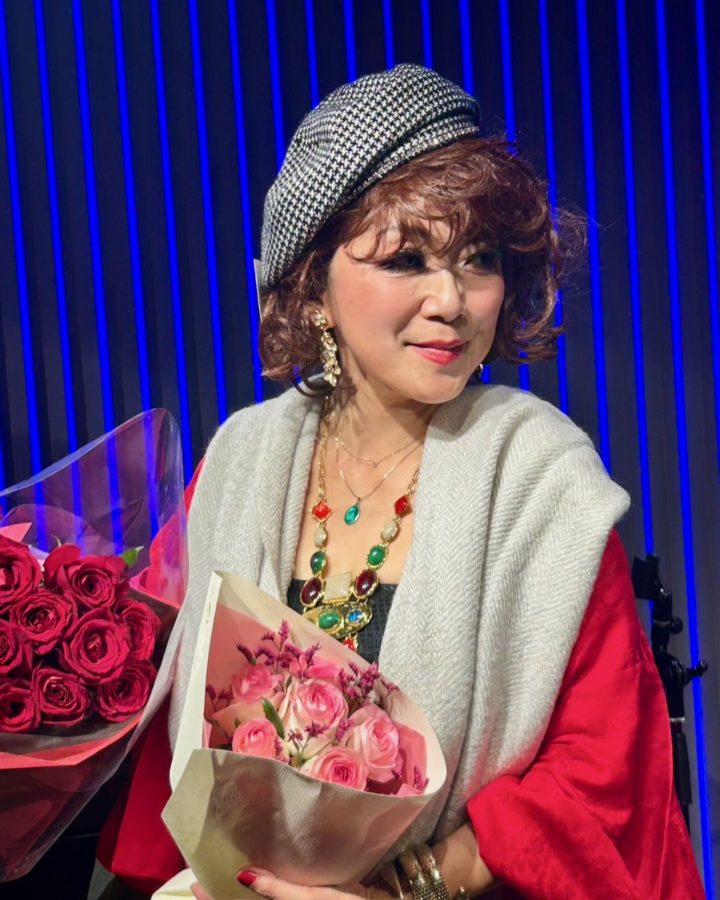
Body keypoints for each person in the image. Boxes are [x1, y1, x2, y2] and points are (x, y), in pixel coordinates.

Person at [97, 64, 704, 899]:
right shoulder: (239, 460)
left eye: (479, 259)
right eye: (407, 259)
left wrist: (411, 887)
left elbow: (601, 764)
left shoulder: (543, 481)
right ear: (313, 284)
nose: (451, 300)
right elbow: (170, 741)